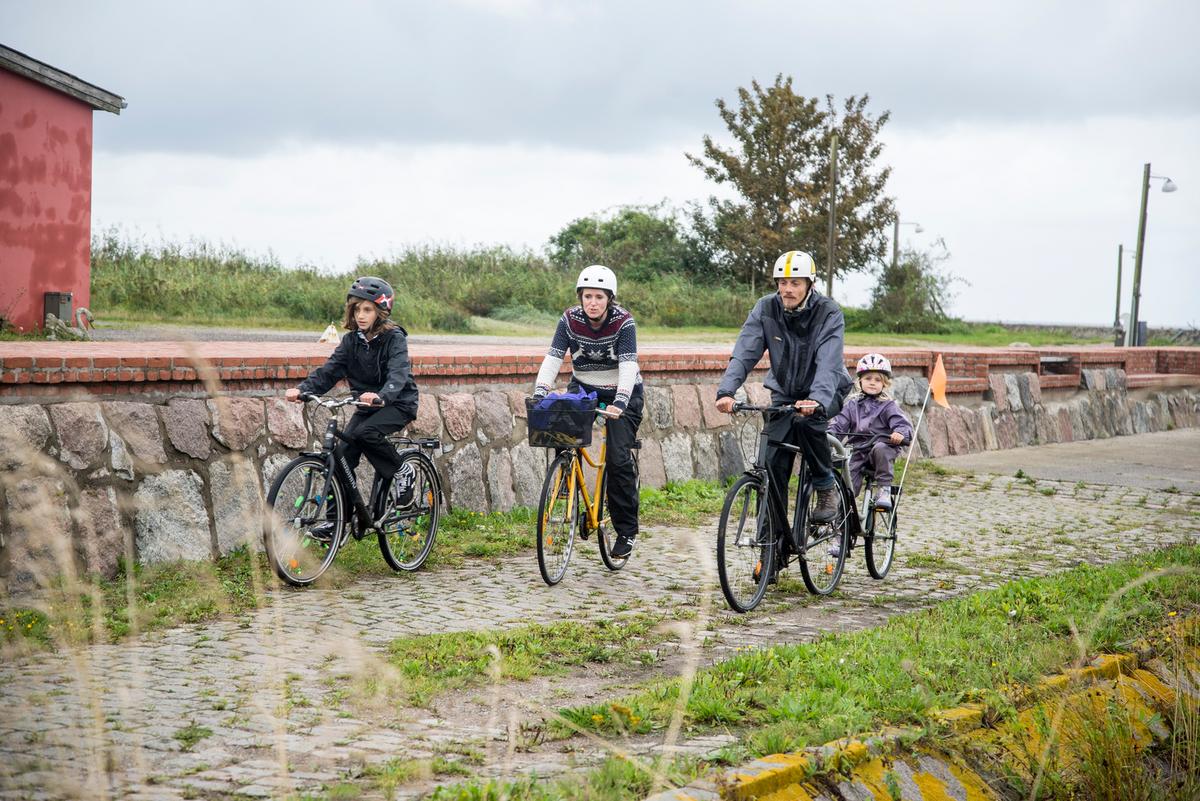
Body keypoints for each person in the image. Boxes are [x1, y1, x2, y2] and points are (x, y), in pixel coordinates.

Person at [715, 250, 853, 538]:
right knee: (772, 465)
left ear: (810, 285)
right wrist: (727, 390)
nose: (787, 289)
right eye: (782, 282)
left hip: (826, 391)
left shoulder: (828, 312)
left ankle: (826, 486)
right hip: (785, 393)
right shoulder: (766, 308)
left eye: (795, 283)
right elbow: (744, 352)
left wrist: (817, 400)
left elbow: (828, 363)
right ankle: (769, 550)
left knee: (806, 423)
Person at [286, 276, 419, 534]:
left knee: (364, 433)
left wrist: (383, 395)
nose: (360, 315)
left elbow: (398, 373)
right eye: (356, 309)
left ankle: (403, 471)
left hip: (398, 403)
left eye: (367, 309)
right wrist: (304, 390)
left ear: (381, 311)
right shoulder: (351, 342)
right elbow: (329, 371)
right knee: (342, 455)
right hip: (367, 406)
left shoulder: (394, 339)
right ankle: (338, 522)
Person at [532, 265, 643, 558]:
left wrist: (620, 401)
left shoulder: (624, 323)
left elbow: (629, 365)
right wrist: (540, 392)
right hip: (584, 388)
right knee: (559, 432)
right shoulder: (569, 320)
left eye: (599, 297)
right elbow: (554, 356)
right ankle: (567, 480)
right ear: (580, 297)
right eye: (587, 296)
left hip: (623, 393)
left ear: (610, 298)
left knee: (619, 460)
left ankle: (626, 531)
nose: (592, 303)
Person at [829, 353, 914, 511]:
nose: (872, 383)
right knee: (846, 485)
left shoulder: (888, 405)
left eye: (877, 380)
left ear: (885, 384)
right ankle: (841, 520)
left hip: (881, 448)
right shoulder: (851, 405)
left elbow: (901, 422)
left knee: (880, 448)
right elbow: (839, 424)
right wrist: (830, 435)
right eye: (868, 379)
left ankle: (884, 490)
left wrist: (900, 433)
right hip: (858, 451)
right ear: (860, 380)